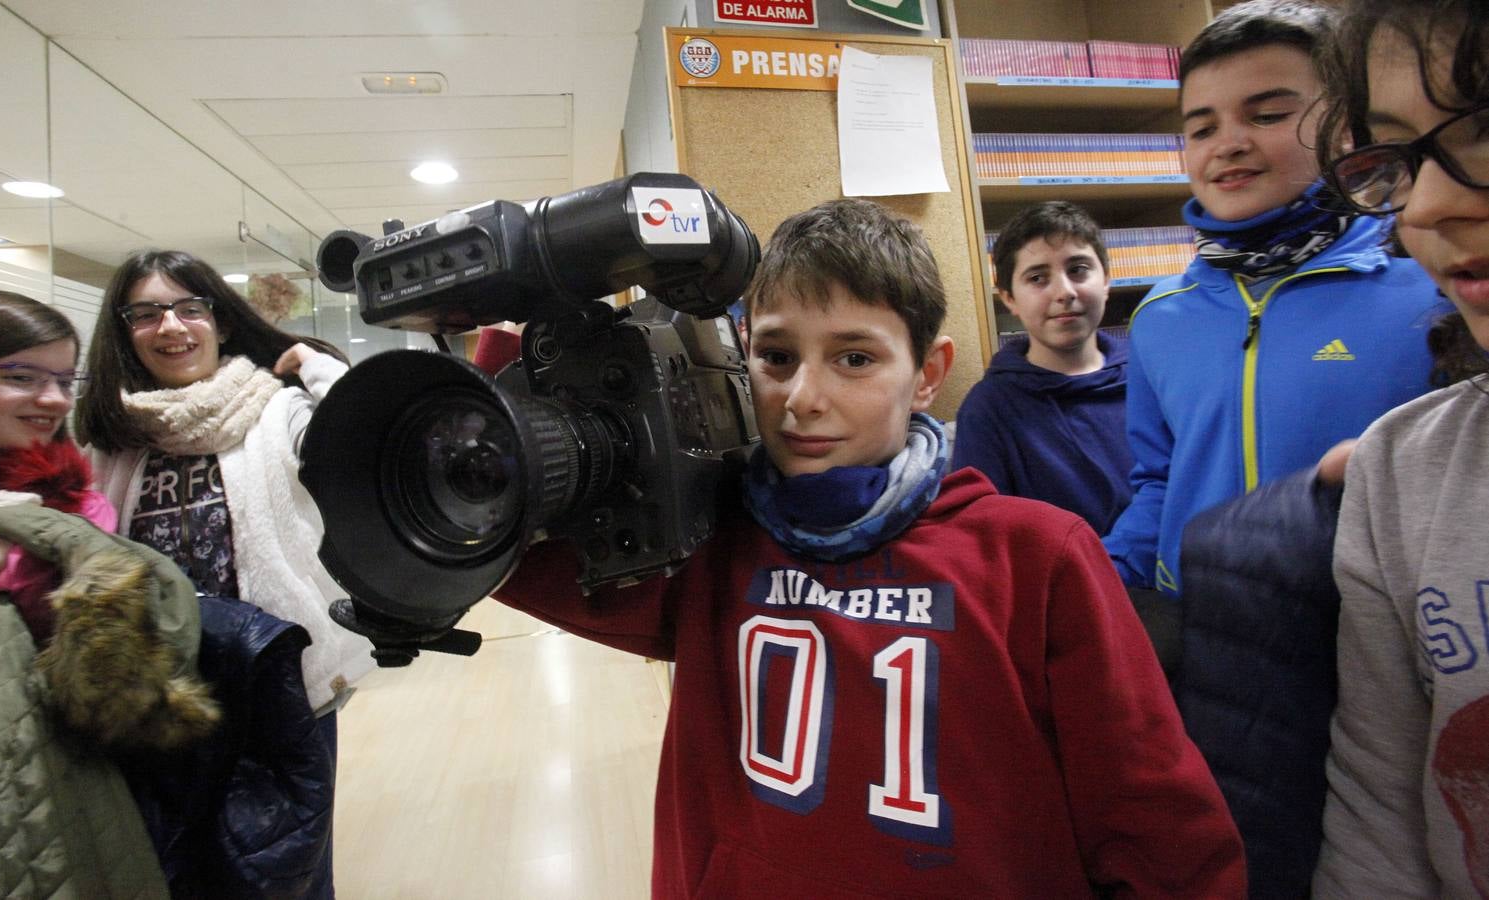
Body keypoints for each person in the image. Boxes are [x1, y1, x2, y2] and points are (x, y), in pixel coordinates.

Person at [492, 199, 1246, 896]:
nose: (802, 398)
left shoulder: (1035, 558)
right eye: (777, 356)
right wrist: (516, 318)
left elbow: (1157, 831)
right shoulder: (705, 546)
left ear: (927, 375)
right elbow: (494, 537)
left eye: (854, 358)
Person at [1101, 0, 1443, 597]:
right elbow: (1160, 480)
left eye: (1267, 115)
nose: (1227, 144)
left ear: (1344, 126)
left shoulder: (1430, 287)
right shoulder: (1159, 315)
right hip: (1208, 631)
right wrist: (1097, 583)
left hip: (1379, 628)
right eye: (1202, 128)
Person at [73, 250, 375, 895]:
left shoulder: (278, 411)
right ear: (124, 331)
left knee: (288, 869)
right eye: (147, 314)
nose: (172, 327)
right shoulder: (116, 438)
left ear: (222, 321)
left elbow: (364, 436)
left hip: (280, 684)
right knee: (176, 866)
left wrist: (319, 367)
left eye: (189, 308)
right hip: (158, 691)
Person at [0, 286, 219, 898]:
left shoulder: (70, 495)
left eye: (65, 380)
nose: (51, 399)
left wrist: (20, 552)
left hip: (60, 776)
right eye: (20, 376)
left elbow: (140, 647)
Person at [1309, 1, 1489, 894]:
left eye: (1485, 125)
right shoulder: (1400, 469)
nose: (1426, 204)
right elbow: (1378, 814)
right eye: (1398, 160)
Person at [951, 200, 1132, 534]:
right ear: (1009, 298)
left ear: (1106, 279)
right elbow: (984, 535)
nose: (1064, 292)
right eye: (1037, 277)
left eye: (1078, 270)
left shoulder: (1150, 381)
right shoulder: (988, 410)